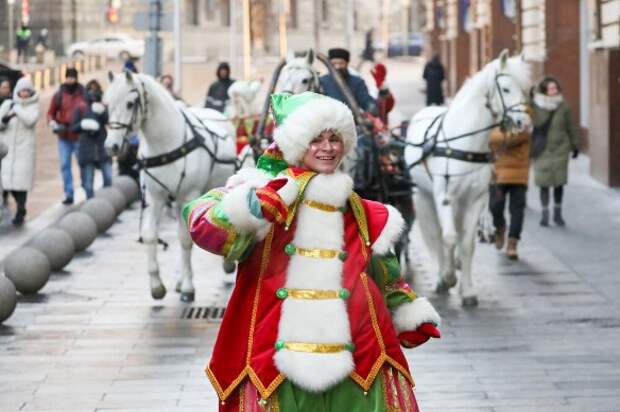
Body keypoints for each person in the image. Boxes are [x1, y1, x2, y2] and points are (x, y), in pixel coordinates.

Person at [184, 92, 441, 411]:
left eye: (335, 139)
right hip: (275, 361)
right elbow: (201, 222)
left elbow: (384, 275)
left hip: (360, 358)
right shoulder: (261, 191)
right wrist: (252, 208)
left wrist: (407, 309)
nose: (328, 147)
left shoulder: (365, 213)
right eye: (316, 139)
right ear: (295, 143)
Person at [531, 76, 580, 227]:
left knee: (559, 183)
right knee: (543, 184)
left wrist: (575, 145)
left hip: (560, 149)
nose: (554, 91)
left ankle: (558, 214)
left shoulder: (563, 105)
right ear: (544, 90)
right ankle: (545, 215)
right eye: (551, 89)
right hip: (541, 149)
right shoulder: (535, 105)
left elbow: (571, 126)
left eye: (556, 88)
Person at [0, 77, 40, 226]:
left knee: (20, 186)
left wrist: (16, 109)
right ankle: (3, 210)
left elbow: (30, 120)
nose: (24, 93)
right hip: (7, 151)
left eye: (27, 90)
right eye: (22, 90)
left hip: (24, 152)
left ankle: (21, 210)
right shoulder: (7, 104)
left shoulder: (34, 106)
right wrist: (5, 120)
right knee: (5, 183)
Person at [488, 125, 530, 260]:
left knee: (517, 210)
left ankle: (512, 243)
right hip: (497, 173)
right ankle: (500, 227)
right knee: (495, 206)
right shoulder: (495, 119)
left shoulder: (524, 117)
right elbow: (490, 138)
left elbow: (520, 136)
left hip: (519, 174)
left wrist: (497, 139)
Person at [47, 67, 86, 205]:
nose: (71, 80)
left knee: (83, 164)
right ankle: (69, 193)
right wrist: (52, 123)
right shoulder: (59, 95)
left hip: (79, 135)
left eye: (73, 77)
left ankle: (86, 188)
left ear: (76, 78)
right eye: (68, 77)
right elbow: (51, 112)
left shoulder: (83, 93)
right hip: (63, 136)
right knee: (65, 165)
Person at [69, 79, 111, 199]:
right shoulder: (81, 107)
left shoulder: (103, 106)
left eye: (95, 89)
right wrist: (83, 124)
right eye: (91, 89)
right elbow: (73, 127)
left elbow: (109, 121)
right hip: (87, 149)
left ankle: (106, 204)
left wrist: (103, 112)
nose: (93, 92)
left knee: (108, 178)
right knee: (88, 183)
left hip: (102, 147)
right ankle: (91, 204)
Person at [320, 48, 377, 113]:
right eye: (334, 63)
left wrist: (371, 107)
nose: (337, 67)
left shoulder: (357, 82)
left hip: (351, 120)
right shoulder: (321, 81)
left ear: (347, 63)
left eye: (341, 63)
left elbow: (365, 101)